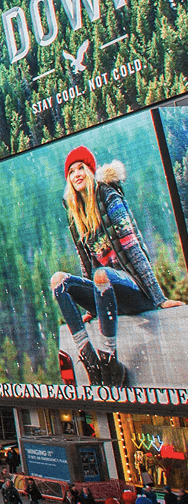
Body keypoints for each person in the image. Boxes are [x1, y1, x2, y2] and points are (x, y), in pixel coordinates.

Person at [49, 144, 185, 387]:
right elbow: (85, 262)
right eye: (71, 171)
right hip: (104, 291)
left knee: (102, 274)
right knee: (58, 281)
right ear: (68, 179)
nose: (77, 174)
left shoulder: (108, 195)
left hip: (132, 289)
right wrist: (91, 303)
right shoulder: (75, 214)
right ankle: (90, 358)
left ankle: (109, 358)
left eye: (81, 168)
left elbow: (133, 248)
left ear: (90, 172)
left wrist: (158, 297)